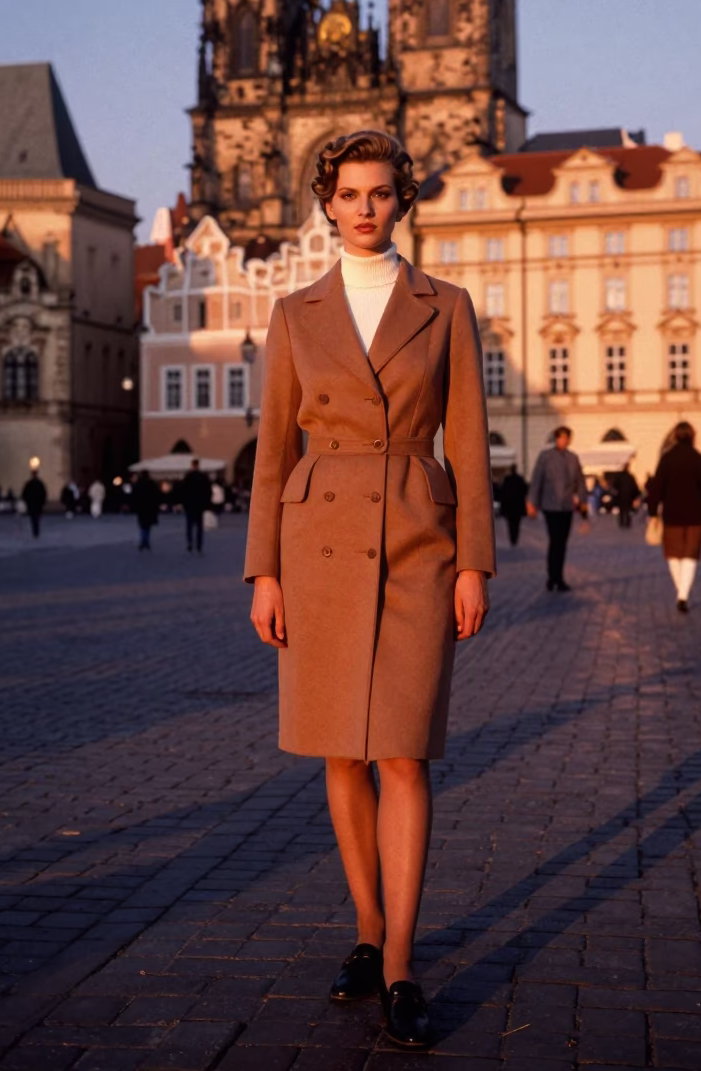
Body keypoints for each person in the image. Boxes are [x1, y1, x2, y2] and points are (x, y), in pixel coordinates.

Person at [245, 130, 495, 1049]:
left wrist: (475, 560)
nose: (364, 208)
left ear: (402, 200)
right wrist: (262, 570)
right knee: (338, 754)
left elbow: (468, 440)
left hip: (418, 539)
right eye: (348, 193)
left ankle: (399, 963)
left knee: (402, 750)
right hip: (314, 546)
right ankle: (363, 926)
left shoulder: (446, 306)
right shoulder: (294, 311)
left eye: (380, 193)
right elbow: (273, 453)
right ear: (327, 201)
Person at [648, 421, 701, 613]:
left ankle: (680, 592)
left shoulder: (667, 459)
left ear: (675, 436)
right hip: (695, 515)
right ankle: (683, 595)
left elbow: (656, 488)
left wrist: (652, 512)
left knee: (673, 555)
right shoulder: (699, 459)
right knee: (690, 556)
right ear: (692, 436)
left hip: (672, 514)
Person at [527, 426, 587, 591]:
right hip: (550, 506)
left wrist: (583, 501)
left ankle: (558, 576)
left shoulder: (573, 458)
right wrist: (532, 502)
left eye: (567, 438)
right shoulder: (546, 457)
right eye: (562, 437)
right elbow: (537, 479)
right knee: (555, 540)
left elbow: (580, 482)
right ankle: (553, 576)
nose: (565, 441)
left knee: (562, 542)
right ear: (556, 438)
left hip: (567, 506)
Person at [181, 457, 212, 553]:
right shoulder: (203, 477)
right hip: (199, 505)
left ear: (192, 465)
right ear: (198, 465)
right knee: (199, 527)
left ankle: (190, 543)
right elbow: (208, 491)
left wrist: (184, 503)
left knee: (189, 525)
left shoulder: (188, 476)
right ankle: (199, 545)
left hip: (189, 505)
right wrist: (206, 503)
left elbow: (183, 491)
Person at [132, 470, 161, 551]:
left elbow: (134, 496)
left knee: (142, 525)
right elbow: (156, 495)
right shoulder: (152, 483)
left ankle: (143, 541)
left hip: (141, 507)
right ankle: (146, 541)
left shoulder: (138, 484)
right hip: (150, 508)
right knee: (148, 526)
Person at [499, 465, 528, 546]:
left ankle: (513, 539)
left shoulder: (507, 480)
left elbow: (503, 493)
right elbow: (525, 490)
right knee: (516, 524)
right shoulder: (519, 479)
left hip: (510, 506)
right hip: (517, 506)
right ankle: (514, 539)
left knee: (511, 524)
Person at [22, 468, 47, 538]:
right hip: (37, 504)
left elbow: (24, 494)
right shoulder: (39, 483)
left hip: (32, 504)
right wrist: (42, 502)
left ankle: (35, 531)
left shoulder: (29, 484)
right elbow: (43, 494)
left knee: (33, 518)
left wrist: (27, 501)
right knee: (37, 518)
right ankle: (36, 531)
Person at [613, 464, 640, 528]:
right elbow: (634, 487)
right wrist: (635, 495)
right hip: (629, 496)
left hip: (621, 496)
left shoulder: (619, 477)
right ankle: (627, 523)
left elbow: (615, 486)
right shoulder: (630, 477)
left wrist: (616, 493)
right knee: (628, 510)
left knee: (622, 510)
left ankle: (622, 522)